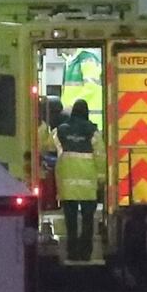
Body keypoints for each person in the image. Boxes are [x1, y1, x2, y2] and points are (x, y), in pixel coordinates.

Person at [52, 98, 105, 261]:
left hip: (67, 185)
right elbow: (100, 156)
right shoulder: (93, 132)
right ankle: (85, 252)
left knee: (71, 222)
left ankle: (72, 251)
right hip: (88, 185)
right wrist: (102, 179)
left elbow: (49, 147)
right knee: (88, 221)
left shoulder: (60, 131)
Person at [59, 48, 103, 127]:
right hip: (75, 119)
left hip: (90, 120)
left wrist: (71, 106)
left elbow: (92, 87)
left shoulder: (87, 58)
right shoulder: (70, 61)